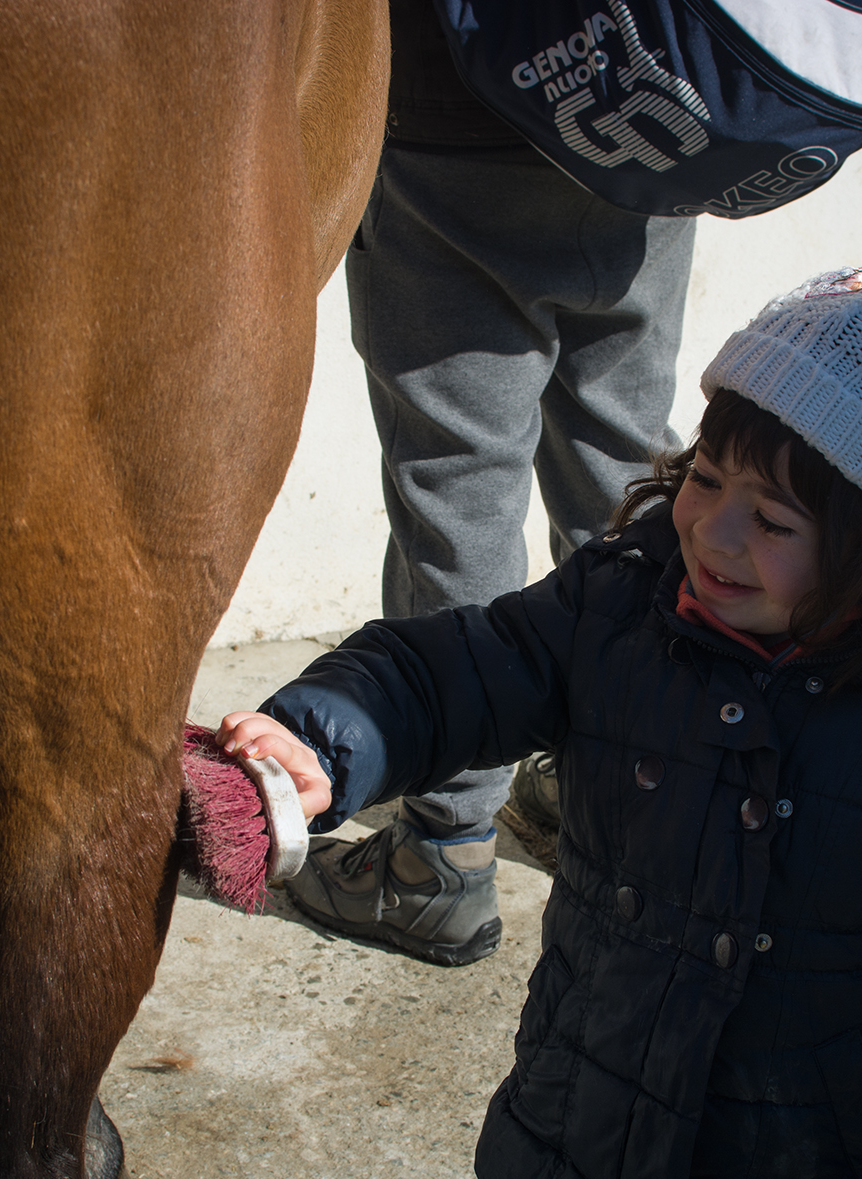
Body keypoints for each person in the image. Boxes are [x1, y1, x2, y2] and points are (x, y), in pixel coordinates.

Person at [221, 266, 862, 1179]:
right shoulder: (623, 604)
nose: (713, 533)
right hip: (593, 1146)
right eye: (706, 478)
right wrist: (324, 735)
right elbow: (457, 671)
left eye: (772, 519)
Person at [293, 0, 699, 966]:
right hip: (656, 112)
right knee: (627, 464)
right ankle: (618, 782)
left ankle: (442, 856)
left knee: (459, 491)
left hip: (462, 114)